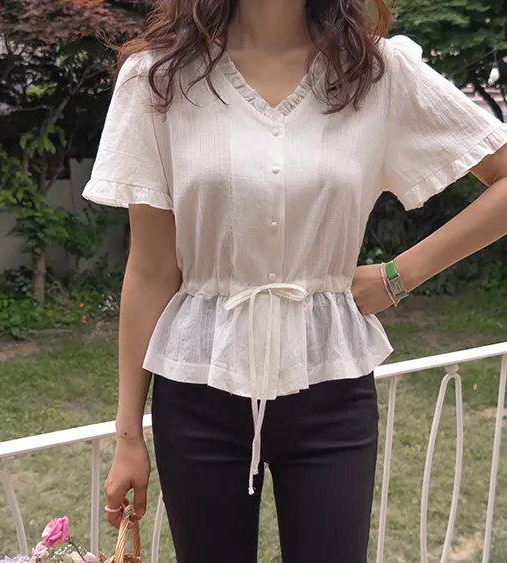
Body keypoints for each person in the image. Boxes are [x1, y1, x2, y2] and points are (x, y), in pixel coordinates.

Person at [82, 0, 507, 560]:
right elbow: (153, 268)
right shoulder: (158, 79)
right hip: (198, 391)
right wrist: (128, 436)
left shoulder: (377, 73)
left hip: (330, 390)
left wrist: (397, 276)